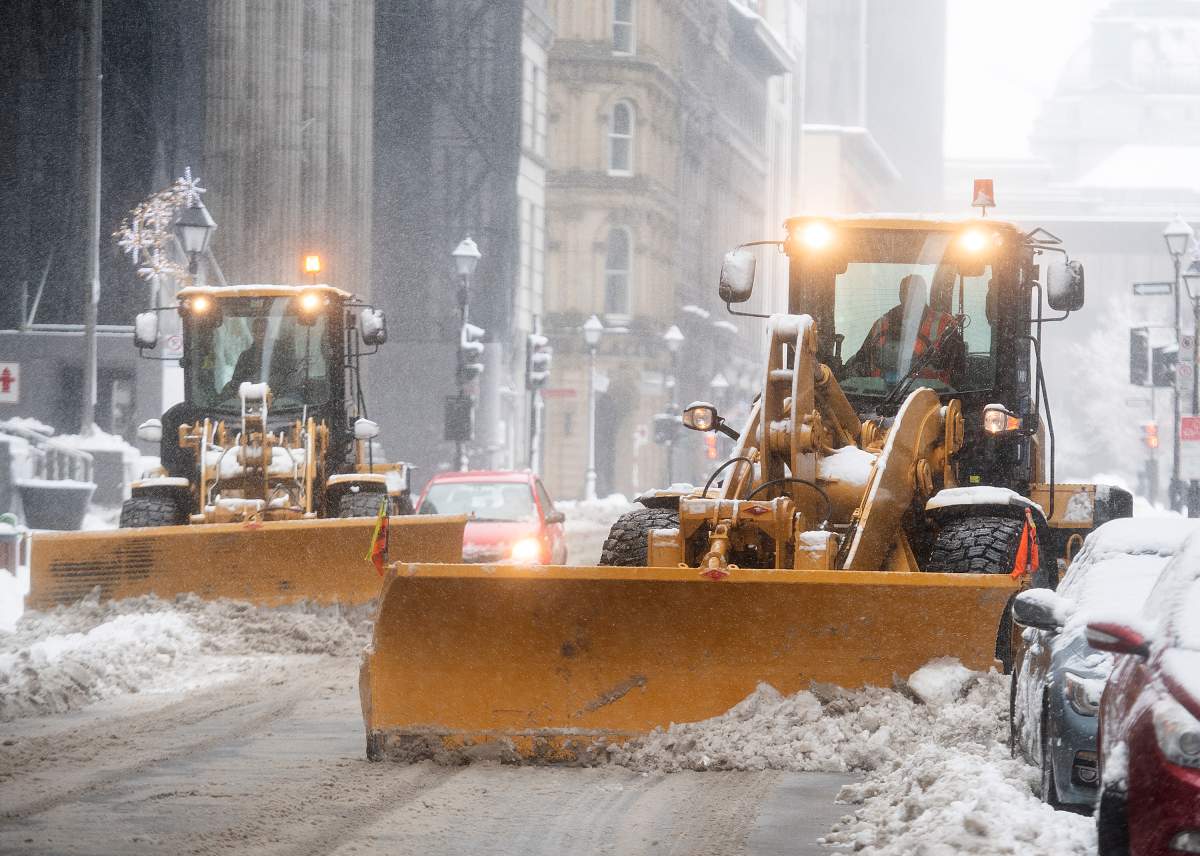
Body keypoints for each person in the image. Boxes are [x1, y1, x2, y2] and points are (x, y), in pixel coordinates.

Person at [845, 273, 964, 385]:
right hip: (878, 399)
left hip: (931, 400)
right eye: (906, 292)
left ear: (923, 294)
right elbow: (860, 363)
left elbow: (957, 372)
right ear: (900, 295)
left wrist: (929, 361)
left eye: (915, 292)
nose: (911, 297)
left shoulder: (945, 326)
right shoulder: (881, 325)